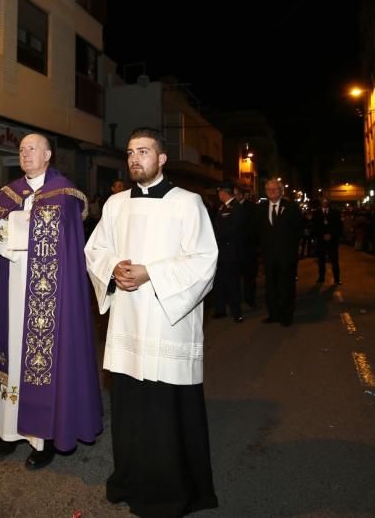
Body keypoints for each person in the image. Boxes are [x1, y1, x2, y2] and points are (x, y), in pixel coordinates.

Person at [85, 127, 219, 515]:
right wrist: (113, 267)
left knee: (166, 412)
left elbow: (203, 260)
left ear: (162, 159)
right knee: (130, 410)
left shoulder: (187, 203)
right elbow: (95, 249)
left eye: (144, 152)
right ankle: (131, 480)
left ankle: (173, 492)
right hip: (128, 322)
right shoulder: (115, 205)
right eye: (130, 152)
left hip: (167, 321)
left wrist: (150, 273)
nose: (134, 159)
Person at [0, 133, 102, 471]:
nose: (25, 154)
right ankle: (8, 432)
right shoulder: (8, 194)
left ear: (48, 154)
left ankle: (43, 438)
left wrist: (15, 227)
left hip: (47, 300)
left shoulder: (64, 194)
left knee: (41, 363)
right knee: (7, 358)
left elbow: (50, 233)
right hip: (8, 287)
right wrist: (15, 227)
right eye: (21, 150)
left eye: (32, 149)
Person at [258, 178, 302, 326]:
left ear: (281, 191)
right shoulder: (261, 208)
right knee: (270, 287)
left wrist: (292, 251)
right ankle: (273, 314)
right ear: (265, 191)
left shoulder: (291, 207)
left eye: (275, 189)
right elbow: (259, 232)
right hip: (269, 257)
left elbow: (298, 231)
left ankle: (286, 316)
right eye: (269, 189)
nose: (272, 192)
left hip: (286, 256)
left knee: (287, 287)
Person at [211, 181, 245, 322]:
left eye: (220, 192)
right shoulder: (222, 207)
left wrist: (214, 236)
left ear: (224, 193)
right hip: (221, 253)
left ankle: (237, 313)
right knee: (220, 283)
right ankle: (220, 309)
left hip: (231, 253)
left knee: (232, 283)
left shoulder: (236, 207)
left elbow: (233, 229)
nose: (219, 195)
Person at [312, 196, 342, 285]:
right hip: (321, 241)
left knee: (335, 260)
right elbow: (315, 226)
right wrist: (322, 235)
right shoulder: (316, 213)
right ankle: (321, 277)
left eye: (326, 201)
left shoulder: (335, 213)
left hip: (332, 241)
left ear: (328, 202)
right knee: (321, 260)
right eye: (323, 201)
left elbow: (338, 226)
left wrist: (331, 234)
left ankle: (337, 279)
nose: (324, 203)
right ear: (320, 202)